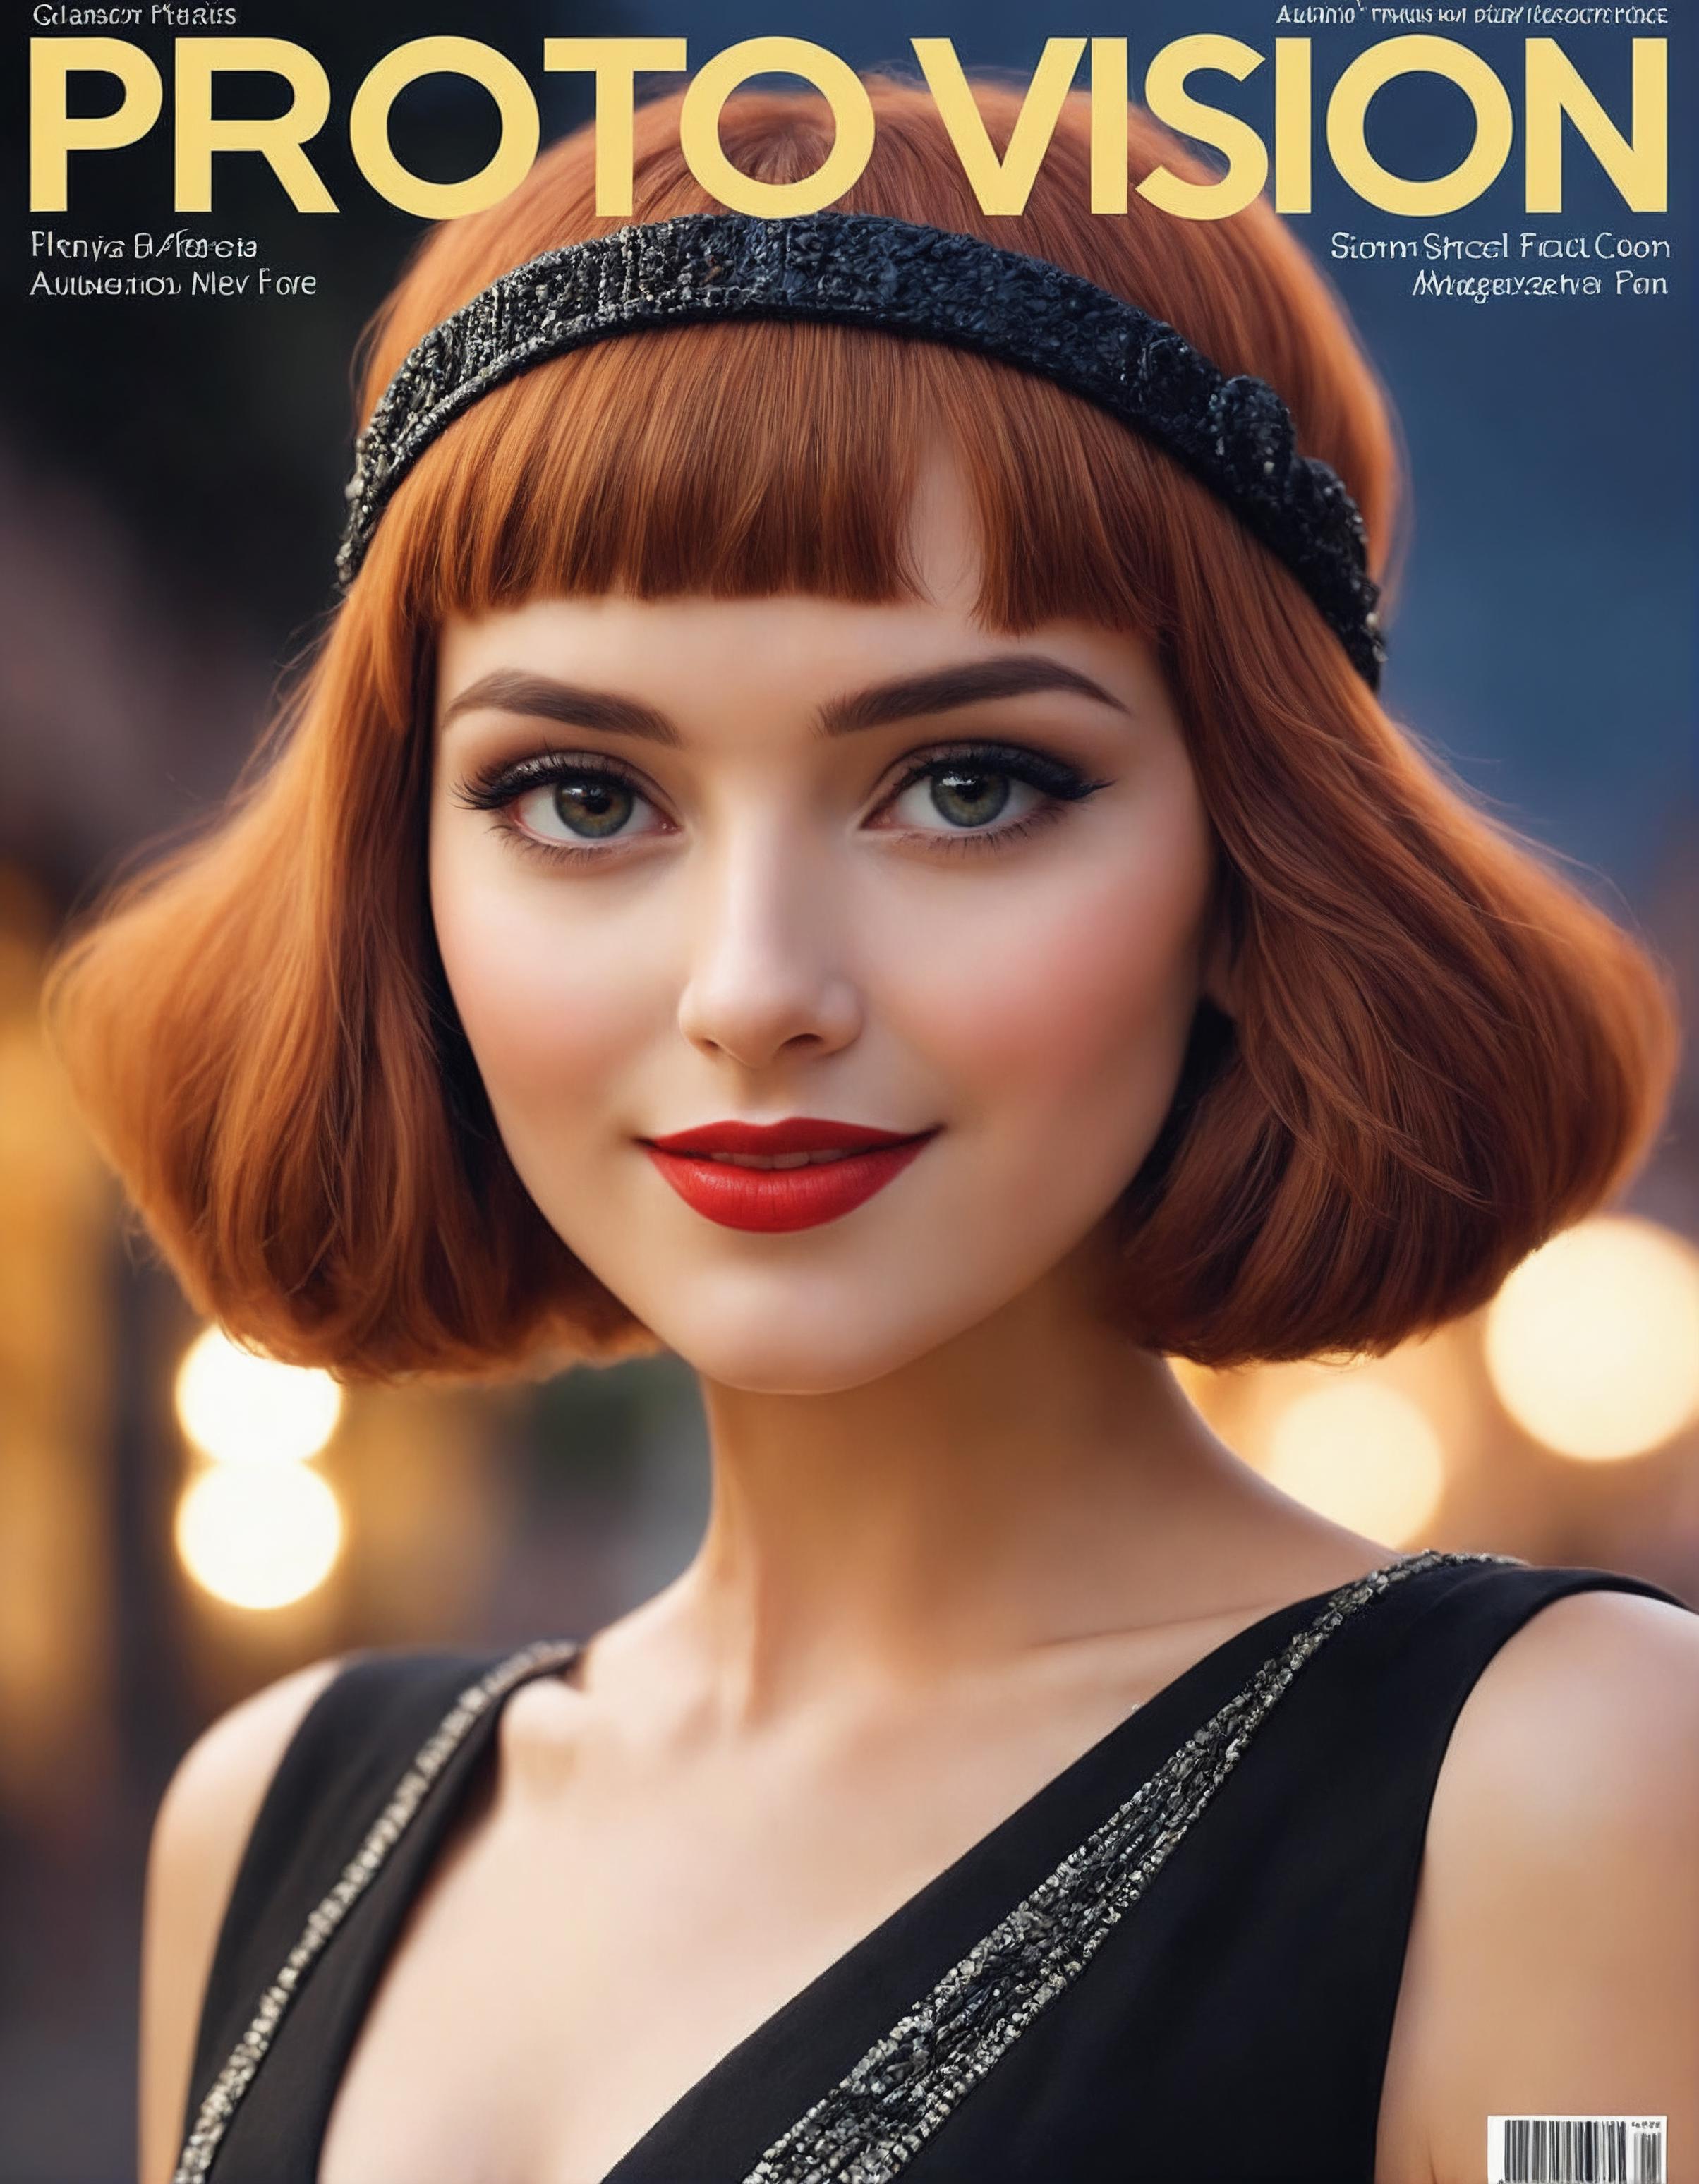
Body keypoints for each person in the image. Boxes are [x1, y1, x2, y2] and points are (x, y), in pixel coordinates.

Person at [41, 73, 1698, 2184]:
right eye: (581, 795)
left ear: (1254, 857)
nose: (753, 985)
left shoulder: (1568, 1797)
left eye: (974, 783)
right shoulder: (274, 1821)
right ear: (403, 868)